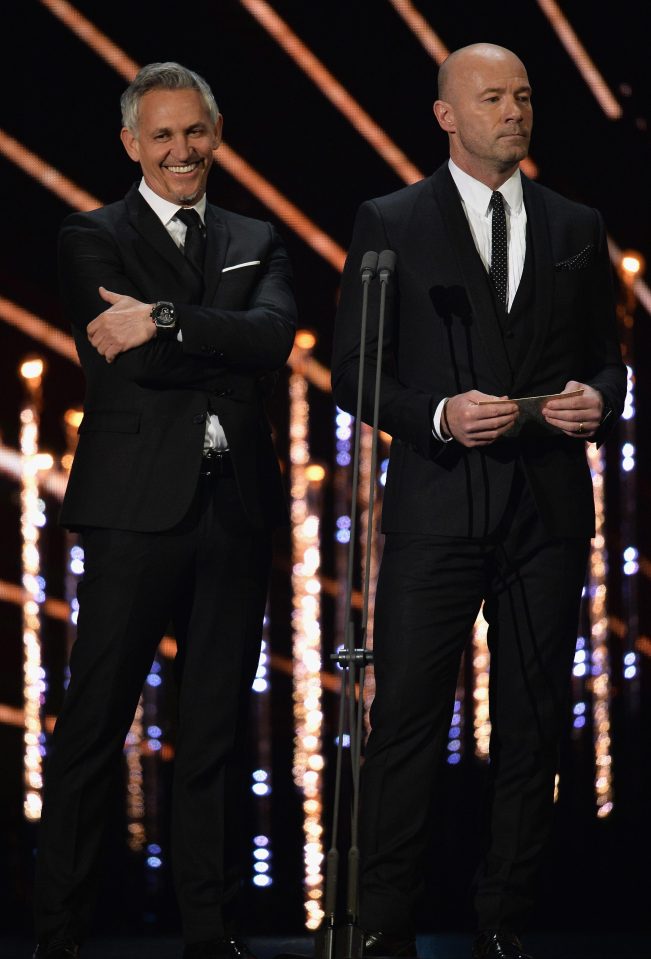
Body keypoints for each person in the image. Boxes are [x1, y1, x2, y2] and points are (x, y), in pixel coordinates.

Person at [332, 43, 625, 959]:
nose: (513, 110)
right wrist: (437, 414)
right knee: (408, 718)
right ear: (446, 116)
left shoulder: (576, 224)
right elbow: (353, 370)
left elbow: (607, 358)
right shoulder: (389, 221)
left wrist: (599, 399)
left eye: (524, 96)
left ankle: (504, 921)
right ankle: (383, 923)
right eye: (491, 96)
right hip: (435, 505)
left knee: (535, 717)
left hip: (545, 508)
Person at [33, 62, 296, 959]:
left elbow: (274, 342)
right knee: (94, 722)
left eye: (194, 133)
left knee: (215, 727)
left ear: (214, 133)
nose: (180, 151)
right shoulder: (89, 235)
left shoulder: (256, 232)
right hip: (133, 513)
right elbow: (128, 362)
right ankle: (59, 931)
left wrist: (169, 320)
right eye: (162, 136)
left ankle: (209, 932)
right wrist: (198, 332)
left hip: (235, 509)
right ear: (131, 145)